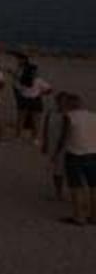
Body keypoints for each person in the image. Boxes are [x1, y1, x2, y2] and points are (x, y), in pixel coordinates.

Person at [53, 94, 96, 225]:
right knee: (93, 186)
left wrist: (56, 153)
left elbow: (63, 137)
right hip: (93, 153)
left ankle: (79, 216)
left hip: (75, 154)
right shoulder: (93, 116)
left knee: (76, 187)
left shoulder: (69, 117)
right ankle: (94, 216)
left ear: (69, 105)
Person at [42, 92, 73, 201]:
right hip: (52, 143)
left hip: (64, 147)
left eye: (63, 101)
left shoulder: (68, 115)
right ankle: (58, 192)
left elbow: (64, 135)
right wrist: (45, 142)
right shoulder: (51, 112)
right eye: (59, 101)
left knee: (64, 170)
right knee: (56, 170)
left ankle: (67, 193)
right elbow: (45, 128)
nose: (60, 103)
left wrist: (58, 150)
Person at [14, 57, 52, 143]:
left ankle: (18, 137)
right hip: (35, 100)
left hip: (24, 100)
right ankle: (34, 138)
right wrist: (41, 93)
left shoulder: (22, 80)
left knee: (21, 119)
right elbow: (49, 89)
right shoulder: (38, 80)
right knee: (36, 121)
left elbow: (17, 88)